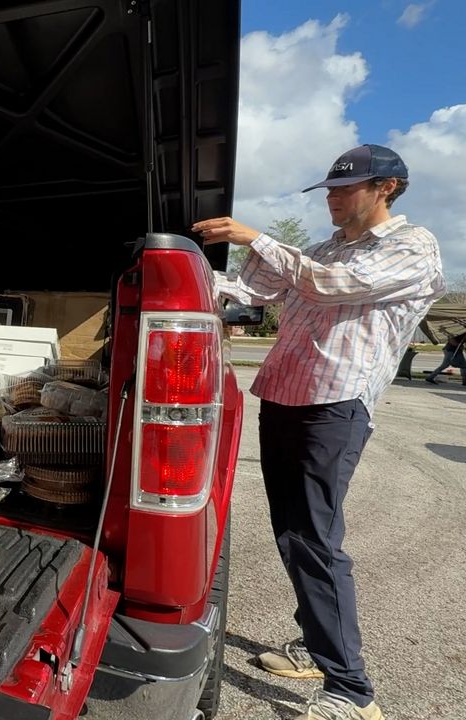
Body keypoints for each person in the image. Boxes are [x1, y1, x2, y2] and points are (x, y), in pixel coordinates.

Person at [195, 144, 444, 720]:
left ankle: (352, 692)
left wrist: (254, 238)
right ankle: (314, 646)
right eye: (329, 189)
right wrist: (189, 270)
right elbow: (256, 293)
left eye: (344, 188)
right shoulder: (326, 246)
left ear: (388, 188)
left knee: (314, 538)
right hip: (285, 395)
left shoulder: (413, 246)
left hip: (334, 406)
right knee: (292, 532)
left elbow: (334, 285)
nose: (332, 199)